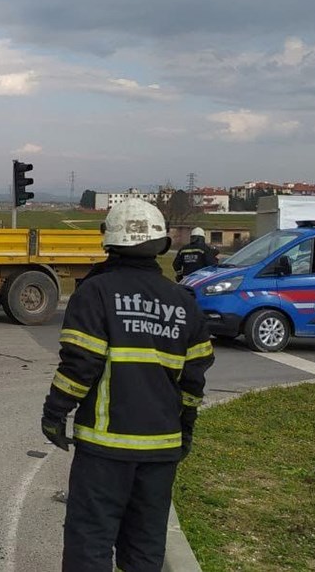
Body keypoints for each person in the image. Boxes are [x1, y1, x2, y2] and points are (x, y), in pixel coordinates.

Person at [41, 199, 214, 571]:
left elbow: (80, 366)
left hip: (105, 448)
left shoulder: (96, 293)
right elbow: (194, 379)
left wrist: (54, 412)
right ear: (162, 245)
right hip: (161, 451)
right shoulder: (184, 304)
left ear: (109, 242)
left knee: (90, 542)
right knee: (144, 547)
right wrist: (185, 427)